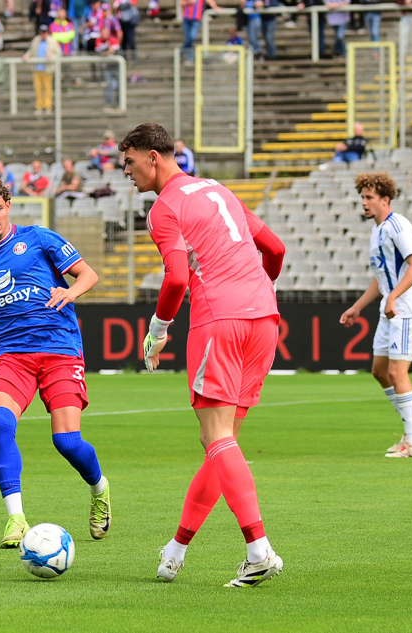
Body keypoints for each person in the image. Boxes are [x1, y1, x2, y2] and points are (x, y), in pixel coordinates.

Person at [119, 122, 287, 587]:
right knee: (221, 443)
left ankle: (259, 550)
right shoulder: (218, 189)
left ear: (153, 157)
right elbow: (275, 248)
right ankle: (176, 549)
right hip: (264, 317)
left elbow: (176, 278)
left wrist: (158, 330)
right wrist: (259, 288)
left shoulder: (164, 208)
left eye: (129, 162)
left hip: (219, 318)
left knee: (217, 438)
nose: (126, 172)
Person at [0, 175, 110, 548]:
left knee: (67, 442)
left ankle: (99, 488)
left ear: (9, 205)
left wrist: (70, 292)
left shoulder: (39, 238)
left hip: (59, 348)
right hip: (11, 355)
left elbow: (88, 274)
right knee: (0, 422)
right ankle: (16, 519)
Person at [339, 172, 412, 459]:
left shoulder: (398, 225)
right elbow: (381, 277)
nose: (364, 203)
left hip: (407, 310)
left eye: (369, 197)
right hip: (390, 310)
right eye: (362, 197)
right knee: (379, 371)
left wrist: (393, 296)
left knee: (396, 372)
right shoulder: (377, 230)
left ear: (385, 199)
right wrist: (358, 306)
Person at [23, 25, 61, 115]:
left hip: (47, 69)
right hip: (37, 68)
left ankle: (48, 106)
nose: (43, 34)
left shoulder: (52, 41)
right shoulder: (36, 40)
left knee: (47, 89)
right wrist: (26, 56)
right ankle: (39, 106)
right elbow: (31, 51)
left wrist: (52, 57)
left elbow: (58, 53)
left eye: (45, 32)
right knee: (38, 89)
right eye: (42, 32)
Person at [94, 26, 120, 111]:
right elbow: (99, 52)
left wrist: (107, 52)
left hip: (116, 67)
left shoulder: (113, 40)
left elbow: (115, 50)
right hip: (107, 67)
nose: (105, 34)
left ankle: (119, 103)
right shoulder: (98, 41)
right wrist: (107, 51)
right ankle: (109, 104)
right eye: (103, 33)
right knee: (109, 85)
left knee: (118, 85)